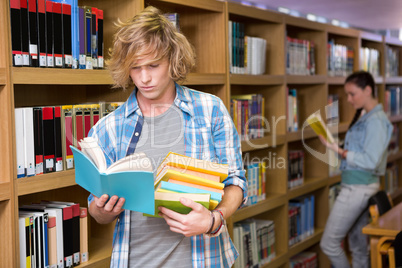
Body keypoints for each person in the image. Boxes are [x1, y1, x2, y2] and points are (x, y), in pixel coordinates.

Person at [86, 6, 247, 268]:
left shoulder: (210, 110)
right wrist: (102, 211)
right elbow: (96, 209)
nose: (145, 77)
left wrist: (213, 219)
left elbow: (236, 182)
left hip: (204, 260)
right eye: (135, 68)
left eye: (153, 65)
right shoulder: (108, 128)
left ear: (172, 59)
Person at [319, 70, 393, 268]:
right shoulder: (365, 116)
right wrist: (334, 147)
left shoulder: (376, 121)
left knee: (329, 244)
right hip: (358, 186)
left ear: (368, 90)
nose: (349, 100)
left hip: (358, 188)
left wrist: (340, 151)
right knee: (358, 246)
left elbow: (370, 160)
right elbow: (359, 153)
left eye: (352, 94)